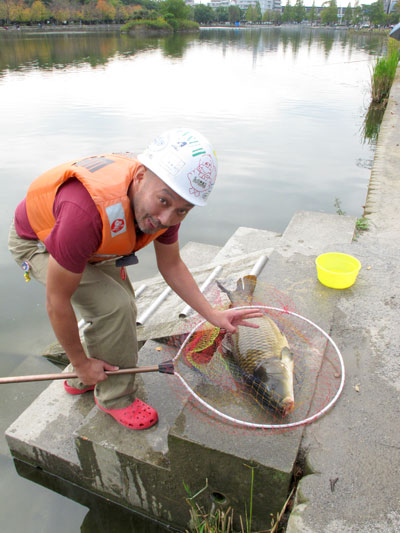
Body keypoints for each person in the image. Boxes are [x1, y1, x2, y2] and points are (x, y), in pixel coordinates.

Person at [8, 128, 261, 430]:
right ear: (140, 176)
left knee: (123, 301)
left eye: (182, 211)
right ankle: (114, 397)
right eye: (163, 201)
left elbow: (172, 265)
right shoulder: (84, 213)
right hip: (39, 243)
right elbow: (56, 301)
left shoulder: (167, 204)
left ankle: (83, 378)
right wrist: (79, 362)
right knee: (115, 306)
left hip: (90, 243)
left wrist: (213, 315)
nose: (166, 219)